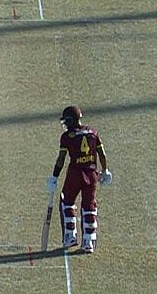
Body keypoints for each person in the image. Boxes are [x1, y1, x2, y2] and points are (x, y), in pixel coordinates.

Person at [47, 106, 112, 253]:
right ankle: (88, 241)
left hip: (75, 173)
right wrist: (105, 170)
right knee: (89, 206)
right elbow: (102, 154)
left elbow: (61, 159)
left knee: (67, 202)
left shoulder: (67, 137)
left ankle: (70, 236)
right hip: (92, 173)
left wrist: (54, 176)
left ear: (70, 120)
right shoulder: (93, 132)